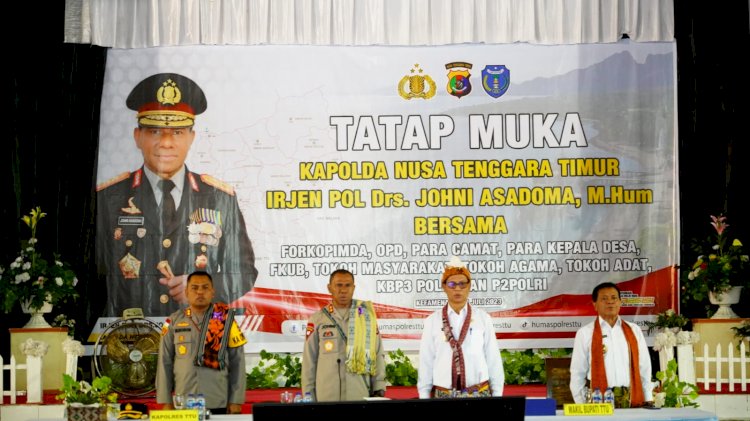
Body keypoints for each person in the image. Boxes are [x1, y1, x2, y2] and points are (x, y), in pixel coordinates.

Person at [96, 72, 258, 317]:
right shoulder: (109, 199)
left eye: (178, 132)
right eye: (155, 132)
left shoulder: (219, 198)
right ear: (137, 136)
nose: (167, 143)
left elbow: (243, 271)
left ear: (192, 138)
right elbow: (93, 273)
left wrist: (202, 289)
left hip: (199, 333)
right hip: (131, 335)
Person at [156, 271, 247, 414]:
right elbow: (164, 361)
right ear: (186, 292)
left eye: (205, 287)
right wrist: (165, 401)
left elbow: (238, 361)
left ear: (212, 292)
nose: (200, 292)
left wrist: (236, 400)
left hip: (217, 400)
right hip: (184, 400)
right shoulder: (173, 321)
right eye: (194, 287)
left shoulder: (224, 319)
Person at [417, 256, 504, 398]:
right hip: (443, 396)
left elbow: (493, 358)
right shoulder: (432, 321)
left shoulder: (483, 319)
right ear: (444, 286)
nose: (457, 289)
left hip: (479, 394)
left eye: (462, 284)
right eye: (452, 284)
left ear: (469, 286)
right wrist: (424, 396)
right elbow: (426, 362)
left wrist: (498, 394)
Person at [302, 269, 386, 401]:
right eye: (338, 285)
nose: (343, 290)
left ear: (353, 288)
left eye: (348, 285)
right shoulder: (318, 319)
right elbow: (309, 361)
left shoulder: (366, 317)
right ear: (329, 288)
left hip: (359, 395)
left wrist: (379, 387)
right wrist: (308, 395)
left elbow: (378, 353)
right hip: (327, 397)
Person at [569, 282, 654, 407]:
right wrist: (582, 405)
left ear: (620, 302)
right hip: (599, 402)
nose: (610, 302)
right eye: (604, 298)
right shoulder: (585, 333)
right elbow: (577, 372)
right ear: (595, 305)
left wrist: (648, 398)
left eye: (614, 298)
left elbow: (644, 367)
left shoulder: (634, 330)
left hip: (632, 402)